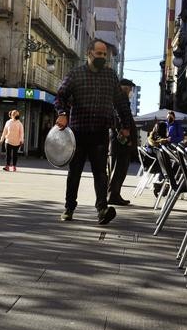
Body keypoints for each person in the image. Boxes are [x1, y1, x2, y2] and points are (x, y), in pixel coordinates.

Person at [55, 39, 135, 224]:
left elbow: (120, 102)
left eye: (105, 54)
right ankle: (69, 208)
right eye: (99, 54)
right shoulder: (75, 75)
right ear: (89, 53)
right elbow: (60, 96)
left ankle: (102, 209)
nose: (103, 57)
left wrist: (124, 126)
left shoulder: (110, 76)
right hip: (78, 132)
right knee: (74, 171)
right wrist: (62, 113)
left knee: (101, 173)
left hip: (100, 132)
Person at [108, 78, 136, 206]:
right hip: (121, 143)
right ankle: (113, 195)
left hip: (117, 141)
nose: (131, 91)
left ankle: (114, 194)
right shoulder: (121, 99)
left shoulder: (116, 98)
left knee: (117, 169)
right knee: (119, 169)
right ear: (124, 88)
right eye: (130, 89)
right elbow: (121, 118)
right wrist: (127, 139)